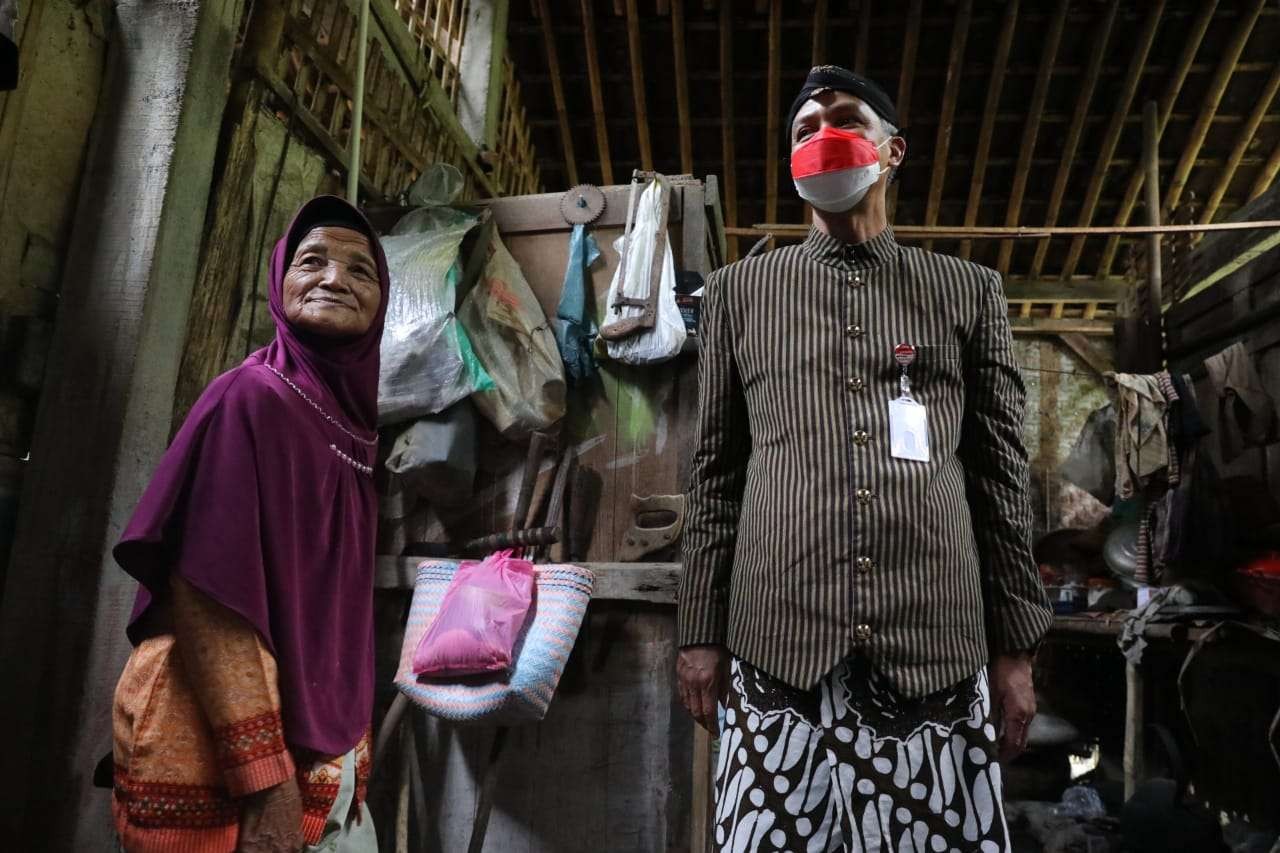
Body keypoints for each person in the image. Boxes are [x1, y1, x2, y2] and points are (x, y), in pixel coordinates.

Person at [676, 66, 1053, 852]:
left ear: (894, 150)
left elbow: (999, 480)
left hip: (936, 654)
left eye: (844, 118)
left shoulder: (967, 292)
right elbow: (714, 476)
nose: (823, 135)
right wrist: (698, 632)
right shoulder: (740, 294)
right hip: (776, 648)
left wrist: (1015, 648)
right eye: (804, 129)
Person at [110, 195, 388, 852]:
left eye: (361, 270)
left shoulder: (352, 428)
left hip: (325, 765)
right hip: (227, 772)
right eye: (312, 260)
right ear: (279, 280)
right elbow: (210, 595)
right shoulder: (253, 399)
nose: (333, 279)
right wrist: (267, 781)